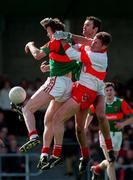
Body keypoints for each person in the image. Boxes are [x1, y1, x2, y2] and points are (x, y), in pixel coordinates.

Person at [42, 31, 113, 172]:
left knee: (100, 116)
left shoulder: (98, 56)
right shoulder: (90, 46)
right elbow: (72, 56)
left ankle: (109, 148)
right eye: (92, 41)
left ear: (103, 46)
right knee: (79, 129)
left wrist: (62, 40)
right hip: (81, 88)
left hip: (91, 91)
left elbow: (72, 54)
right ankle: (85, 156)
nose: (93, 43)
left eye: (96, 42)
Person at [18, 17, 80, 166]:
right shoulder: (70, 42)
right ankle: (47, 154)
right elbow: (67, 61)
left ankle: (33, 136)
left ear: (53, 31)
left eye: (48, 31)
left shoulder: (54, 40)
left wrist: (30, 45)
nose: (47, 35)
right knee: (50, 120)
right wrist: (49, 67)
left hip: (57, 82)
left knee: (27, 109)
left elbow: (38, 55)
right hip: (68, 85)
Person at [85, 82, 133, 180]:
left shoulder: (120, 102)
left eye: (111, 90)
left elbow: (132, 117)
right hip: (104, 135)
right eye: (107, 90)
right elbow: (89, 115)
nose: (109, 92)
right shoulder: (99, 103)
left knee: (111, 160)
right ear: (104, 92)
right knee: (111, 162)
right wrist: (85, 127)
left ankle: (97, 168)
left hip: (118, 135)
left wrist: (123, 124)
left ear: (114, 91)